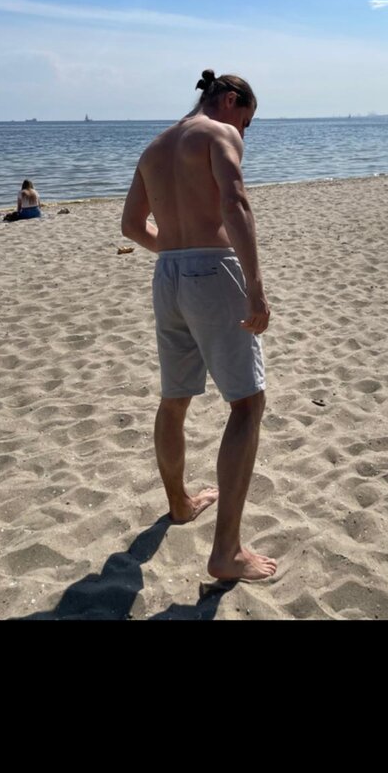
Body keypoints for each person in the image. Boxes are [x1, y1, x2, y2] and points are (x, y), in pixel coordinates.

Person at [121, 69, 276, 582]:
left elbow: (130, 226)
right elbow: (234, 203)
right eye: (247, 121)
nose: (244, 132)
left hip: (167, 276)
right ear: (230, 100)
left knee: (175, 399)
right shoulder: (218, 133)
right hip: (213, 270)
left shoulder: (155, 146)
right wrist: (254, 284)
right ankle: (226, 551)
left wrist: (174, 252)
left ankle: (180, 504)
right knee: (247, 404)